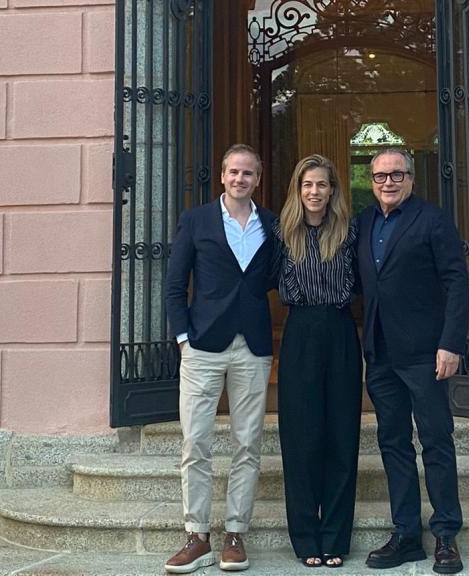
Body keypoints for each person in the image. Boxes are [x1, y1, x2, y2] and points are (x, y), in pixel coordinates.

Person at [163, 144, 278, 573]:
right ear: (222, 175)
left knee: (247, 443)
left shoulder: (272, 223)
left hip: (253, 346)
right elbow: (175, 284)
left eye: (247, 173)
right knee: (196, 443)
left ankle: (235, 534)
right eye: (233, 172)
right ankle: (196, 535)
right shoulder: (196, 221)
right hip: (203, 347)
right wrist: (182, 339)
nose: (239, 179)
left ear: (258, 178)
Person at [356, 149, 469, 574]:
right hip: (381, 354)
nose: (389, 182)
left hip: (426, 353)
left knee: (436, 441)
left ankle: (445, 535)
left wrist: (450, 343)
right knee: (393, 442)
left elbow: (456, 282)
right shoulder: (363, 223)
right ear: (371, 180)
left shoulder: (433, 220)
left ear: (411, 179)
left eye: (397, 174)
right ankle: (405, 534)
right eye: (381, 175)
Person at [273, 155, 361, 569]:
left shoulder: (349, 231)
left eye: (322, 185)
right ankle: (306, 536)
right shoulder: (281, 233)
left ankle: (336, 538)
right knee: (302, 438)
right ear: (298, 189)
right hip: (300, 333)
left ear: (332, 190)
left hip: (340, 332)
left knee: (341, 437)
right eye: (307, 184)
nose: (314, 192)